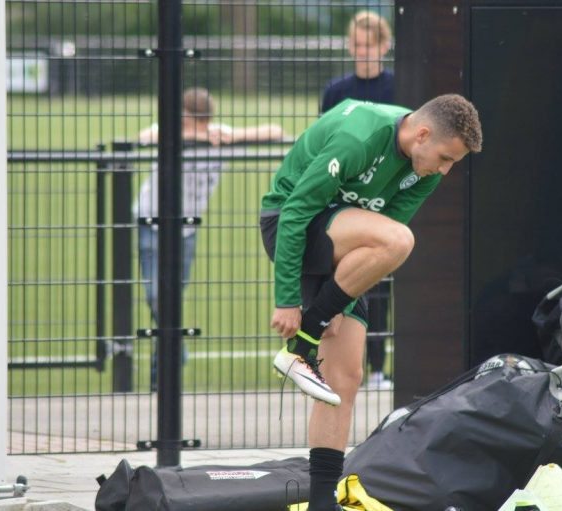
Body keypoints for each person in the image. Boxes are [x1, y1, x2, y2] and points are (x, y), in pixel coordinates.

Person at [259, 94, 482, 511]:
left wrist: (336, 304)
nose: (446, 170)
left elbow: (375, 250)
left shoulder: (425, 172)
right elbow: (294, 212)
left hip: (344, 251)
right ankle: (303, 338)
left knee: (344, 377)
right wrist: (289, 300)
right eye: (446, 157)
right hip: (292, 225)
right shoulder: (360, 136)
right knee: (400, 239)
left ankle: (322, 502)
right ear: (422, 134)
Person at [136, 87, 285, 391]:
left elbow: (277, 131)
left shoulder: (222, 135)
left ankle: (162, 377)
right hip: (150, 222)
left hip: (186, 230)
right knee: (156, 296)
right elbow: (143, 136)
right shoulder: (167, 132)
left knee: (170, 298)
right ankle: (177, 352)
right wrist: (193, 137)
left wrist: (234, 136)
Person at [321, 10, 395, 389]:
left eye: (369, 45)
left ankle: (379, 367)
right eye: (356, 45)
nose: (362, 52)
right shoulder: (336, 91)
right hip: (342, 198)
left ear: (384, 46)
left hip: (379, 199)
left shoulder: (397, 86)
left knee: (378, 284)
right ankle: (333, 364)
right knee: (338, 281)